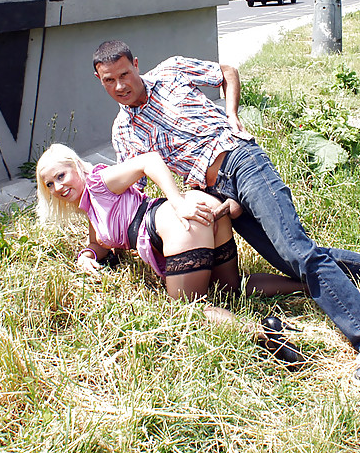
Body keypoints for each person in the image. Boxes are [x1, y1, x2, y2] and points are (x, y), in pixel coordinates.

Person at [92, 39, 360, 388]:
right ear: (100, 80)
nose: (120, 86)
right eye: (109, 80)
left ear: (136, 64)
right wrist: (94, 248)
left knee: (294, 248)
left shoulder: (170, 71)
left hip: (241, 161)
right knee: (286, 258)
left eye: (124, 74)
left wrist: (232, 115)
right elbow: (130, 198)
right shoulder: (123, 132)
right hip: (213, 192)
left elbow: (227, 72)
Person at [34, 143, 306, 366]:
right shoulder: (91, 205)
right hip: (201, 209)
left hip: (176, 220)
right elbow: (100, 243)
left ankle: (265, 334)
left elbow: (149, 160)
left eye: (61, 176)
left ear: (77, 167)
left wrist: (177, 203)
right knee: (230, 287)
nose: (58, 187)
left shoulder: (99, 183)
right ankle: (309, 285)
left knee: (188, 309)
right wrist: (86, 255)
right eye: (49, 184)